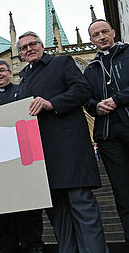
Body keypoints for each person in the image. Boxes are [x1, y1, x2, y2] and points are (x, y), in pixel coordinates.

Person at [17, 31, 108, 253]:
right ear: (20, 54)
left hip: (69, 150)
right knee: (59, 218)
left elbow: (82, 90)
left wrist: (52, 103)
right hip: (42, 157)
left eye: (33, 44)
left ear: (42, 45)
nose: (29, 49)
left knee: (82, 209)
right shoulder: (23, 80)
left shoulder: (62, 62)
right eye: (24, 48)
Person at [0, 59, 44, 253]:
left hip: (24, 150)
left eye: (2, 70)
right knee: (4, 203)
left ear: (10, 73)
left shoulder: (23, 91)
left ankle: (33, 243)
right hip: (0, 157)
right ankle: (7, 243)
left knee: (30, 202)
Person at [84, 19, 129, 248]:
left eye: (104, 32)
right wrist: (94, 106)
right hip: (108, 135)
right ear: (91, 40)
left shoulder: (127, 53)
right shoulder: (91, 68)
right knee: (123, 195)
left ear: (113, 32)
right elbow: (85, 98)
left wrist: (117, 99)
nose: (101, 37)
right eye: (96, 35)